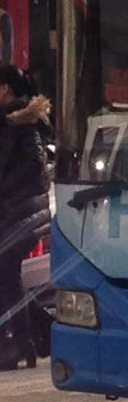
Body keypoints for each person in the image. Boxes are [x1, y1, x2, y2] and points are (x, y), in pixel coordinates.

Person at [0, 65, 51, 370]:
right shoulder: (8, 120)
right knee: (5, 272)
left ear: (5, 88)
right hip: (15, 208)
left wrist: (4, 189)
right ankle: (39, 334)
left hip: (24, 209)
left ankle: (21, 342)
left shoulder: (23, 121)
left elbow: (34, 166)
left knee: (4, 271)